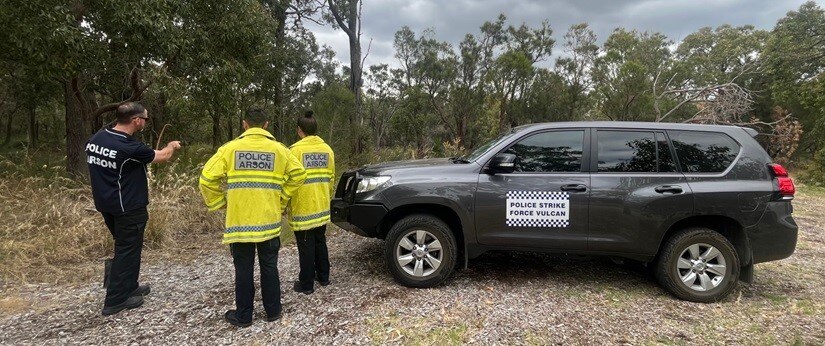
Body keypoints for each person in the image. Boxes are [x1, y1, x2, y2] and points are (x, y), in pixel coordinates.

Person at [199, 108, 306, 327]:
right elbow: (299, 174)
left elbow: (207, 180)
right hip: (268, 220)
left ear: (244, 124)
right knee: (269, 266)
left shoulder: (229, 149)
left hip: (240, 223)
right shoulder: (279, 150)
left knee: (244, 269)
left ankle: (244, 316)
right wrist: (282, 199)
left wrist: (220, 203)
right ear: (266, 124)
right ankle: (273, 311)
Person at [85, 102, 181, 316]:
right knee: (126, 250)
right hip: (128, 206)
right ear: (136, 120)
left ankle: (129, 286)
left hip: (106, 204)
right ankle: (115, 300)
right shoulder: (129, 147)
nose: (146, 122)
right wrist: (172, 145)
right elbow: (163, 156)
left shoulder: (98, 138)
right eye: (145, 119)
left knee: (127, 246)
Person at [288, 111, 335, 295]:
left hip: (304, 207)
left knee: (305, 246)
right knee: (320, 241)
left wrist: (285, 203)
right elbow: (331, 178)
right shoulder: (327, 150)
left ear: (300, 130)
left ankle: (306, 284)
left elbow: (290, 179)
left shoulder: (295, 151)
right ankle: (324, 277)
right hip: (322, 205)